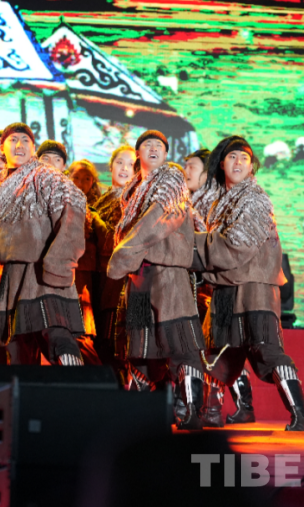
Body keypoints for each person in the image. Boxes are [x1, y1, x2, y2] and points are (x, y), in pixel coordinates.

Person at [193, 136, 304, 431]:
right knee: (217, 351)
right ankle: (210, 413)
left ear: (251, 166)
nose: (237, 162)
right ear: (221, 164)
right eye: (232, 157)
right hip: (225, 288)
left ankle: (300, 416)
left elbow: (238, 244)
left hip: (254, 287)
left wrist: (193, 249)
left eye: (244, 158)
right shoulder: (217, 202)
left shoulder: (256, 199)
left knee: (266, 349)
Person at [107, 130, 207, 430]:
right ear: (137, 153)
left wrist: (123, 255)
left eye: (159, 145)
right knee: (140, 346)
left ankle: (192, 410)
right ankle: (143, 411)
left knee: (180, 342)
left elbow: (158, 219)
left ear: (166, 153)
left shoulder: (171, 179)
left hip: (168, 273)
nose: (153, 148)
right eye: (146, 144)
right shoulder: (134, 189)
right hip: (139, 276)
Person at [0, 123, 87, 366]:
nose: (19, 145)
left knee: (58, 338)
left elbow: (74, 209)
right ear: (2, 148)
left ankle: (77, 387)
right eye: (13, 140)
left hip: (41, 273)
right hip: (9, 275)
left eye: (25, 140)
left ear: (33, 147)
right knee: (16, 348)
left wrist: (59, 263)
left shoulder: (46, 175)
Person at [186, 147, 256, 427]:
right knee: (210, 349)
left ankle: (232, 407)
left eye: (191, 167)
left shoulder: (215, 203)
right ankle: (215, 409)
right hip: (199, 286)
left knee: (220, 347)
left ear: (206, 174)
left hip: (217, 286)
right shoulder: (190, 200)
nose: (185, 171)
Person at [37, 140, 103, 366]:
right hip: (44, 275)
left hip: (77, 277)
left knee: (78, 332)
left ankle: (95, 378)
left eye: (87, 178)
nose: (81, 183)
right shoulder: (37, 193)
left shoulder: (86, 206)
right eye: (77, 177)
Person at [93, 145, 138, 379]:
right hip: (97, 278)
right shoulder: (102, 199)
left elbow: (119, 242)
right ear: (110, 167)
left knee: (113, 341)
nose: (124, 168)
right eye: (120, 162)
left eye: (131, 165)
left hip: (117, 281)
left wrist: (95, 221)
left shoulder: (133, 201)